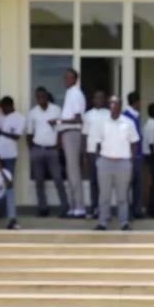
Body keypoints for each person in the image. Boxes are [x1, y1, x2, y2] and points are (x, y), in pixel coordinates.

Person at [93, 96, 140, 231]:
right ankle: (102, 222)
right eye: (111, 103)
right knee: (104, 195)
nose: (113, 105)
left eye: (115, 103)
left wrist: (130, 159)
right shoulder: (102, 122)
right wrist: (99, 159)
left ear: (120, 106)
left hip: (123, 163)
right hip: (105, 162)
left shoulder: (128, 122)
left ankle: (124, 222)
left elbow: (134, 142)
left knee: (123, 195)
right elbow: (97, 142)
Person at [26, 87, 70, 217]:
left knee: (58, 179)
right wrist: (32, 150)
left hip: (52, 150)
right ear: (36, 98)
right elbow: (29, 133)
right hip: (38, 149)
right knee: (39, 181)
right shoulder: (33, 113)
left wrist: (58, 145)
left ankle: (65, 207)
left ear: (47, 96)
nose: (41, 99)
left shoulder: (56, 110)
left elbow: (61, 129)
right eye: (38, 97)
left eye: (43, 96)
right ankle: (43, 208)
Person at [56, 69, 87, 218]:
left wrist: (58, 121)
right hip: (67, 133)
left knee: (74, 171)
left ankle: (79, 207)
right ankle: (73, 206)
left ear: (76, 79)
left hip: (72, 133)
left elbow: (78, 119)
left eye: (69, 77)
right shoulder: (70, 93)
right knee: (70, 172)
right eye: (65, 77)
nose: (66, 80)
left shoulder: (76, 94)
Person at [83, 90, 110, 218]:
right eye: (97, 98)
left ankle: (104, 209)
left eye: (101, 98)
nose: (99, 100)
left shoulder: (109, 114)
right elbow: (84, 135)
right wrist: (84, 154)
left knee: (104, 182)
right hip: (92, 152)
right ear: (93, 100)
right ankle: (94, 207)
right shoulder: (88, 115)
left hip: (106, 152)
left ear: (104, 100)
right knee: (93, 181)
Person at [124, 91, 145, 219]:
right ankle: (127, 211)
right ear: (136, 102)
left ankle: (136, 210)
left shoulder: (135, 116)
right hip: (130, 155)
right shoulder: (126, 117)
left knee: (138, 184)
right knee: (127, 184)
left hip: (137, 155)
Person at [0, 96, 24, 175]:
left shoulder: (20, 118)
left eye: (3, 107)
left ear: (9, 106)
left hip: (9, 154)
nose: (2, 110)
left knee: (8, 177)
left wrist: (1, 132)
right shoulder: (1, 115)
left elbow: (17, 136)